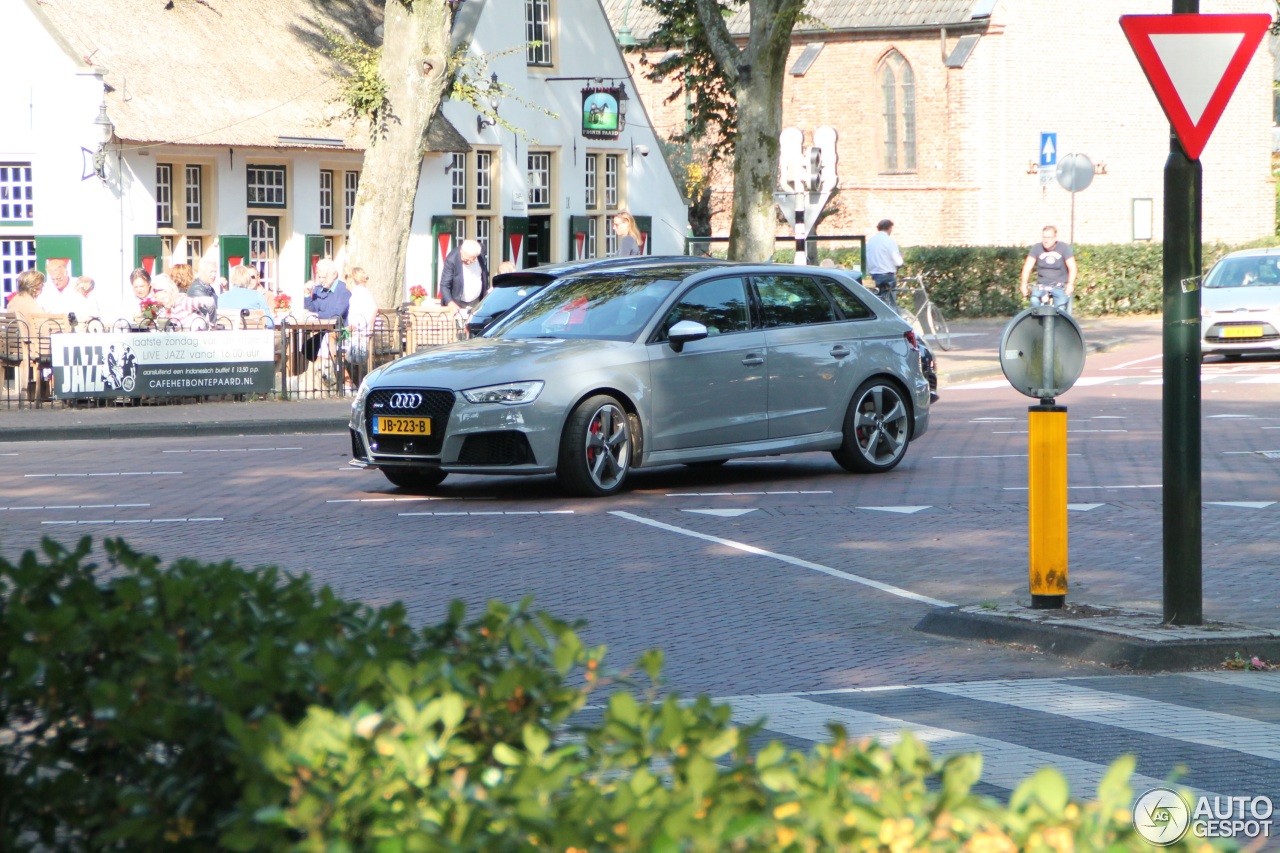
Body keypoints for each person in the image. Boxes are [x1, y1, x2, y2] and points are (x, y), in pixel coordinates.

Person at [1020, 225, 1076, 311]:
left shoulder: (1063, 248)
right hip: (1042, 285)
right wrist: (1023, 285)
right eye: (1044, 237)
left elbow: (1072, 267)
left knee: (1060, 307)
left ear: (1055, 238)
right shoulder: (1037, 248)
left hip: (1059, 286)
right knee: (1034, 300)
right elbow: (1027, 267)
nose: (1046, 240)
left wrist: (1070, 284)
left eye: (1049, 237)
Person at [344, 266, 379, 389]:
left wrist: (350, 328)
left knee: (330, 342)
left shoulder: (357, 294)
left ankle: (347, 384)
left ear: (351, 279)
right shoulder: (365, 293)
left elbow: (359, 319)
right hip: (365, 334)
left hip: (360, 335)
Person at [439, 240, 490, 321]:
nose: (469, 262)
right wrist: (451, 303)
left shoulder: (480, 250)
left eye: (472, 259)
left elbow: (484, 273)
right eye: (466, 259)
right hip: (458, 302)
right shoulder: (452, 259)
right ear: (461, 251)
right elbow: (444, 285)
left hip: (477, 301)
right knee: (460, 331)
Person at [866, 219, 904, 306]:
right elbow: (898, 262)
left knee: (876, 304)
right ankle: (892, 316)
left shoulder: (871, 241)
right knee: (891, 305)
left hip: (874, 277)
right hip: (887, 276)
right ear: (889, 228)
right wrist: (901, 258)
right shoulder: (889, 241)